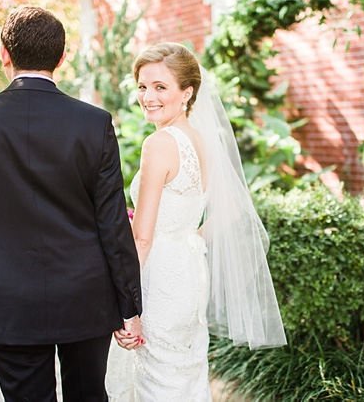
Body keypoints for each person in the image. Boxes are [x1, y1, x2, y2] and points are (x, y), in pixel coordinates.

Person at [0, 6, 142, 401]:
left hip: (11, 296)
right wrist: (129, 304)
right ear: (62, 58)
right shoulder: (93, 123)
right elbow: (112, 222)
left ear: (4, 53)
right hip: (85, 296)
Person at [106, 43, 286, 401]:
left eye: (160, 87)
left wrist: (121, 304)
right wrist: (186, 238)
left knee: (155, 379)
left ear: (187, 93)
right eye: (143, 86)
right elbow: (230, 212)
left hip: (157, 278)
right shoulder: (202, 140)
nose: (148, 97)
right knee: (183, 373)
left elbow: (141, 239)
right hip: (188, 273)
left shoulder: (159, 144)